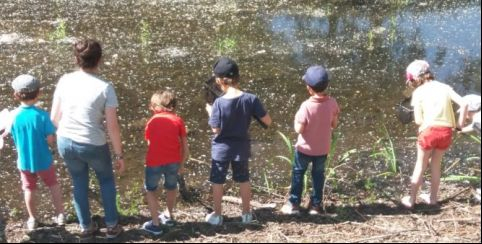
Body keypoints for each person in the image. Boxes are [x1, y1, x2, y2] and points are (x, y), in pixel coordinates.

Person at [50, 39, 125, 239]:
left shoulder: (65, 80)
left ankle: (85, 226)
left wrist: (63, 135)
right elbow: (112, 126)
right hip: (94, 143)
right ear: (99, 60)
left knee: (78, 181)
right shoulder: (105, 87)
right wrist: (119, 155)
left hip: (65, 139)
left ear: (76, 59)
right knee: (107, 180)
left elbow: (54, 118)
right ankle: (111, 226)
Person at [205, 57, 272, 225]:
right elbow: (267, 121)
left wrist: (210, 111)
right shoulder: (251, 98)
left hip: (221, 150)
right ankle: (246, 214)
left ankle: (218, 215)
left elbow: (216, 129)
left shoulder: (218, 102)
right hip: (241, 148)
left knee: (218, 180)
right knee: (243, 179)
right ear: (237, 77)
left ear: (219, 80)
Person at [401, 60, 467, 208]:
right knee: (436, 165)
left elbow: (418, 121)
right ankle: (432, 199)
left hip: (429, 132)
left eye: (411, 80)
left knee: (420, 165)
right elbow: (464, 103)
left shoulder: (418, 92)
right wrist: (459, 126)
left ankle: (411, 200)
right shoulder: (445, 87)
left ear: (415, 78)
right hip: (446, 132)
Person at [280, 65, 340, 215]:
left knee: (298, 173)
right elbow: (334, 124)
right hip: (322, 149)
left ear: (309, 88)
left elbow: (299, 129)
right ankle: (316, 205)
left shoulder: (306, 106)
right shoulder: (332, 103)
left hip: (304, 149)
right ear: (327, 85)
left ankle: (294, 204)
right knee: (318, 175)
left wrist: (295, 120)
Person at [8, 74, 65, 231]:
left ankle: (32, 218)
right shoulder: (42, 116)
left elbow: (12, 135)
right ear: (39, 93)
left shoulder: (13, 117)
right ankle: (60, 214)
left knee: (29, 188)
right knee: (53, 184)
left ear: (16, 94)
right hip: (44, 159)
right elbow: (50, 139)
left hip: (24, 161)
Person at [141, 90, 189, 235]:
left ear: (156, 107)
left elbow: (150, 143)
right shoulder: (178, 120)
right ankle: (168, 215)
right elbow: (185, 147)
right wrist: (182, 165)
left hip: (154, 162)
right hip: (173, 161)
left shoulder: (151, 121)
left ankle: (155, 224)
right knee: (171, 187)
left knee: (151, 189)